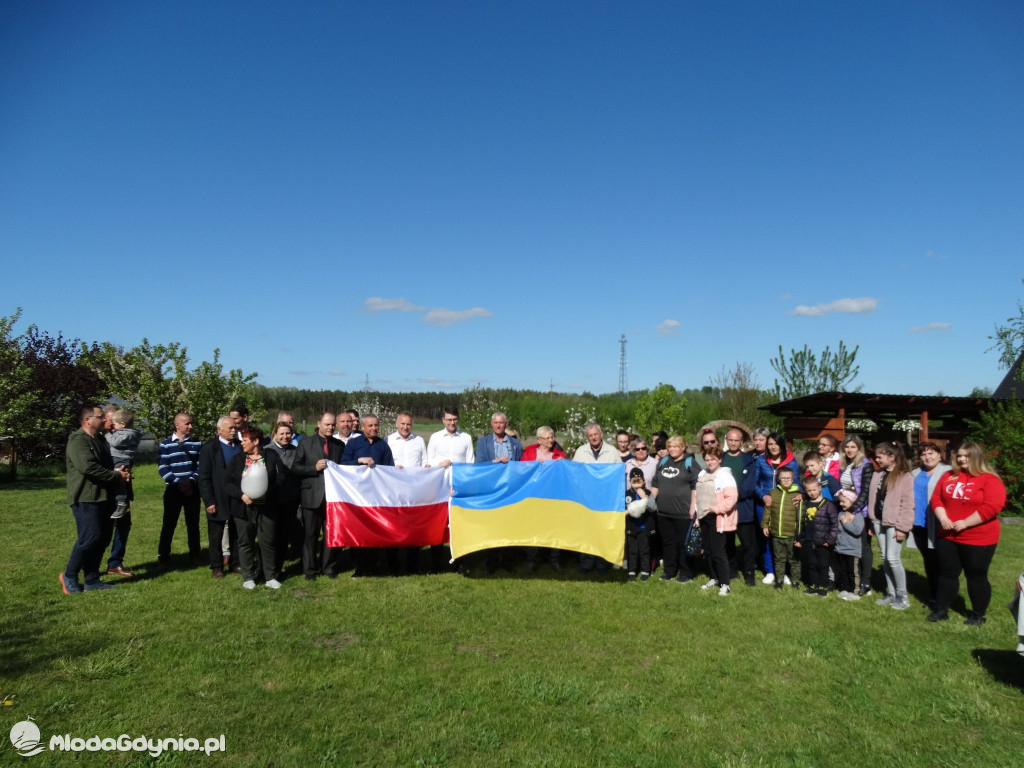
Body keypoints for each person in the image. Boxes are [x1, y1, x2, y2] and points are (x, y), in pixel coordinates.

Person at [928, 442, 1006, 625]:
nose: (962, 459)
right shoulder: (948, 475)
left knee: (976, 575)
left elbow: (992, 507)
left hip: (979, 537)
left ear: (976, 457)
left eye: (966, 456)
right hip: (948, 535)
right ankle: (941, 610)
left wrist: (965, 523)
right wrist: (943, 518)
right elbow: (936, 498)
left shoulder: (989, 479)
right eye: (959, 456)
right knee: (947, 573)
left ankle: (978, 615)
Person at [60, 405, 130, 593]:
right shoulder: (78, 440)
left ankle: (92, 580)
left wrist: (119, 472)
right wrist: (116, 475)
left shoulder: (99, 439)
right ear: (87, 420)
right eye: (100, 417)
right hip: (86, 497)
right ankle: (69, 575)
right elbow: (88, 467)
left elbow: (104, 466)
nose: (105, 420)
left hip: (104, 496)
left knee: (102, 538)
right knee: (89, 537)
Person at [225, 425, 284, 589]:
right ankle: (248, 577)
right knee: (245, 542)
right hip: (243, 508)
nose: (242, 443)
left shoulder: (271, 456)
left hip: (267, 507)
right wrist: (241, 495)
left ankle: (270, 576)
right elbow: (226, 483)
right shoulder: (238, 459)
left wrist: (267, 493)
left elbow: (281, 478)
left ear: (255, 441)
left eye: (245, 440)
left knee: (268, 541)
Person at [292, 412, 344, 580]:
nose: (330, 427)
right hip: (311, 496)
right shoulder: (305, 444)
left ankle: (328, 567)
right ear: (319, 423)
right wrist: (313, 468)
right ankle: (310, 570)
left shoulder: (338, 445)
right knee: (310, 536)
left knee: (331, 534)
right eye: (327, 424)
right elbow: (295, 468)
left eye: (332, 425)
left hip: (332, 498)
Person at [868, 441, 915, 611]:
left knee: (893, 558)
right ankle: (891, 592)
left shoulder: (904, 477)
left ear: (892, 457)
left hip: (894, 523)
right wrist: (872, 519)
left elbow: (908, 504)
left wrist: (903, 527)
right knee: (885, 558)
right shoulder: (878, 474)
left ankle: (902, 596)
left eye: (880, 457)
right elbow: (874, 498)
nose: (877, 460)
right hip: (879, 521)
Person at [197, 416, 242, 578]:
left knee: (236, 532)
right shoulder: (209, 448)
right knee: (216, 535)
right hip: (217, 497)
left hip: (236, 497)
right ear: (219, 430)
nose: (233, 430)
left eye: (235, 428)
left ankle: (236, 563)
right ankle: (216, 566)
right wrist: (209, 501)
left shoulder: (240, 446)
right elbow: (203, 477)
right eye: (230, 428)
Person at [156, 412, 203, 568]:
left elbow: (200, 466)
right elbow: (163, 468)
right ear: (177, 425)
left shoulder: (197, 443)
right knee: (169, 524)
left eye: (191, 423)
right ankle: (163, 557)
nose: (191, 426)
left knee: (193, 524)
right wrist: (178, 482)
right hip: (173, 490)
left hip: (192, 489)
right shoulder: (166, 444)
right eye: (187, 423)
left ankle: (195, 555)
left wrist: (191, 481)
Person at [572, 423, 620, 573]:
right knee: (587, 531)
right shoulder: (581, 451)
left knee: (602, 531)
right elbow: (574, 472)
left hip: (605, 498)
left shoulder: (612, 451)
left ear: (601, 434)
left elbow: (619, 473)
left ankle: (602, 563)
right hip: (586, 498)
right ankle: (586, 563)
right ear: (587, 437)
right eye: (590, 435)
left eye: (595, 434)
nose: (593, 437)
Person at [651, 436, 698, 583]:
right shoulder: (663, 462)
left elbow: (696, 486)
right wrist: (650, 502)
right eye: (669, 446)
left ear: (683, 447)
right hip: (663, 512)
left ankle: (685, 572)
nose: (671, 449)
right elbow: (655, 483)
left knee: (682, 543)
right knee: (668, 543)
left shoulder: (690, 463)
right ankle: (669, 570)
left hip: (683, 512)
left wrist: (693, 507)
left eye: (675, 446)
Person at [755, 432, 800, 585]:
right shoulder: (761, 460)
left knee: (785, 538)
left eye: (776, 444)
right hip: (765, 504)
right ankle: (770, 571)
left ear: (782, 445)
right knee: (767, 537)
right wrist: (763, 496)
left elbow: (797, 482)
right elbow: (754, 483)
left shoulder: (791, 461)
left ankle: (785, 571)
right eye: (770, 444)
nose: (773, 447)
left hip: (786, 505)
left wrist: (799, 496)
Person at [911, 442, 952, 609]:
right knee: (929, 561)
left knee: (941, 562)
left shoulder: (948, 472)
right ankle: (934, 595)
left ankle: (944, 597)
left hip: (939, 524)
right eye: (923, 454)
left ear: (940, 455)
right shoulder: (915, 473)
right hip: (919, 524)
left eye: (931, 453)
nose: (927, 457)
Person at [520, 426, 566, 574]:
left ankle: (555, 560)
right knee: (534, 528)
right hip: (534, 497)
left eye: (552, 437)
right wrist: (533, 465)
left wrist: (563, 465)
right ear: (539, 440)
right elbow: (521, 471)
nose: (551, 440)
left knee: (555, 529)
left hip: (553, 498)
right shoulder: (529, 453)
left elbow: (564, 477)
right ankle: (531, 560)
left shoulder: (559, 454)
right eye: (547, 438)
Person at [695, 445, 738, 596]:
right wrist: (697, 514)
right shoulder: (702, 473)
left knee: (718, 551)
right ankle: (714, 578)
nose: (709, 462)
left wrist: (717, 509)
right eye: (707, 459)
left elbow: (731, 498)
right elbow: (697, 496)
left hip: (717, 517)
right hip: (703, 517)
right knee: (708, 551)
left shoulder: (725, 476)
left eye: (713, 459)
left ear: (719, 459)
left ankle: (725, 583)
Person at [721, 428, 759, 587]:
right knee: (728, 542)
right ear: (726, 440)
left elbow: (750, 485)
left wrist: (733, 496)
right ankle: (732, 570)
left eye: (736, 440)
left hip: (744, 507)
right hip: (725, 508)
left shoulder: (749, 460)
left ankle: (749, 573)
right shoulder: (720, 458)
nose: (733, 443)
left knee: (748, 544)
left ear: (741, 442)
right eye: (730, 440)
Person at [838, 435, 875, 596]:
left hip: (861, 511)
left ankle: (866, 582)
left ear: (859, 448)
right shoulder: (845, 464)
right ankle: (852, 578)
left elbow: (865, 492)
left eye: (853, 447)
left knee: (864, 547)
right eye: (847, 447)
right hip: (847, 508)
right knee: (850, 546)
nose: (849, 450)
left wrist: (852, 511)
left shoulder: (866, 465)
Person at [101, 405, 134, 578]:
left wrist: (126, 472)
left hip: (123, 489)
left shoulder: (123, 436)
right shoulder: (99, 439)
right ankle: (91, 565)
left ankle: (115, 563)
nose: (113, 424)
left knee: (123, 526)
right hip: (105, 491)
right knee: (102, 530)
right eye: (110, 420)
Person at [266, 420, 302, 574]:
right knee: (270, 535)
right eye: (282, 433)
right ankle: (268, 566)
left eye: (288, 433)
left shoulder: (297, 451)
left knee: (284, 534)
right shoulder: (267, 451)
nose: (285, 436)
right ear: (275, 434)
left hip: (290, 499)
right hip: (272, 499)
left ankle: (278, 566)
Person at [761, 466, 803, 590]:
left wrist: (799, 533)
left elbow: (802, 515)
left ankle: (795, 580)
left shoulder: (798, 495)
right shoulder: (773, 493)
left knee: (794, 559)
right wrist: (765, 525)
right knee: (779, 559)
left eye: (788, 478)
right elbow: (767, 510)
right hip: (777, 533)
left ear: (793, 479)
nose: (786, 480)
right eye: (783, 478)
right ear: (778, 479)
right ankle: (779, 580)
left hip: (791, 534)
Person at [797, 475, 838, 597]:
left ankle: (823, 586)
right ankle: (813, 585)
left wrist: (829, 540)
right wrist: (799, 538)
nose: (812, 493)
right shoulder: (805, 504)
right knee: (811, 563)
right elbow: (800, 522)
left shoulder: (828, 504)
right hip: (809, 540)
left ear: (820, 487)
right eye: (808, 490)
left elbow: (834, 524)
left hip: (823, 541)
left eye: (814, 489)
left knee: (823, 564)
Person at [106, 409, 141, 520]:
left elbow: (115, 441)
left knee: (119, 480)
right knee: (122, 480)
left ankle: (122, 502)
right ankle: (125, 498)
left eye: (114, 424)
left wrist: (106, 433)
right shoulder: (128, 433)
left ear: (122, 424)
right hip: (123, 459)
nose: (112, 426)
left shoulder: (126, 434)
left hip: (120, 459)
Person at [833, 489, 866, 601]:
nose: (840, 504)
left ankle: (855, 591)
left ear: (852, 501)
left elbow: (857, 531)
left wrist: (845, 523)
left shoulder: (857, 515)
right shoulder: (841, 514)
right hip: (841, 549)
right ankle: (845, 589)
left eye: (843, 501)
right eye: (840, 501)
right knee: (843, 571)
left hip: (852, 550)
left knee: (853, 572)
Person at [625, 467, 655, 582]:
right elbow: (623, 510)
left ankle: (645, 571)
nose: (637, 485)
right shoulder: (627, 494)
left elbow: (653, 508)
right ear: (630, 482)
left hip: (644, 527)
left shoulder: (648, 493)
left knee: (644, 550)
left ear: (644, 481)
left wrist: (645, 498)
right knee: (632, 550)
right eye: (634, 482)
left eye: (639, 482)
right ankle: (631, 572)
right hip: (631, 527)